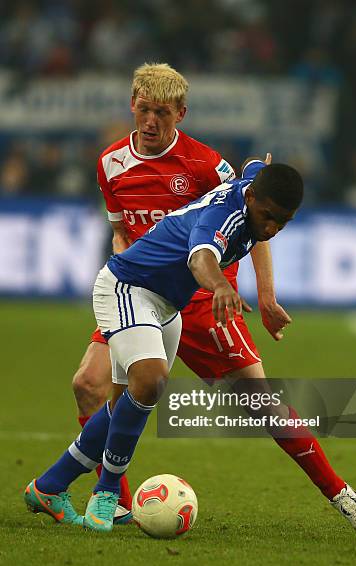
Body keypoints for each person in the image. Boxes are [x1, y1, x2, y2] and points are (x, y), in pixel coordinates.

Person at [25, 159, 356, 536]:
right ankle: (108, 493)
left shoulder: (252, 188)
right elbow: (201, 258)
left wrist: (265, 296)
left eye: (283, 222)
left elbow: (254, 165)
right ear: (252, 197)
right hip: (129, 288)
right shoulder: (222, 218)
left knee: (129, 403)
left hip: (167, 305)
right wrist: (221, 286)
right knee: (148, 382)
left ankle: (49, 486)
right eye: (268, 216)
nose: (272, 228)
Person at [71, 62, 292, 522]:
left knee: (255, 399)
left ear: (181, 114)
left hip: (196, 294)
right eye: (145, 110)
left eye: (163, 114)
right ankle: (117, 503)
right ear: (132, 105)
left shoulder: (208, 165)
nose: (151, 121)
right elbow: (120, 232)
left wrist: (266, 296)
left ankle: (88, 491)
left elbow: (251, 223)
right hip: (138, 287)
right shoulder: (110, 163)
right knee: (89, 386)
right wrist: (123, 263)